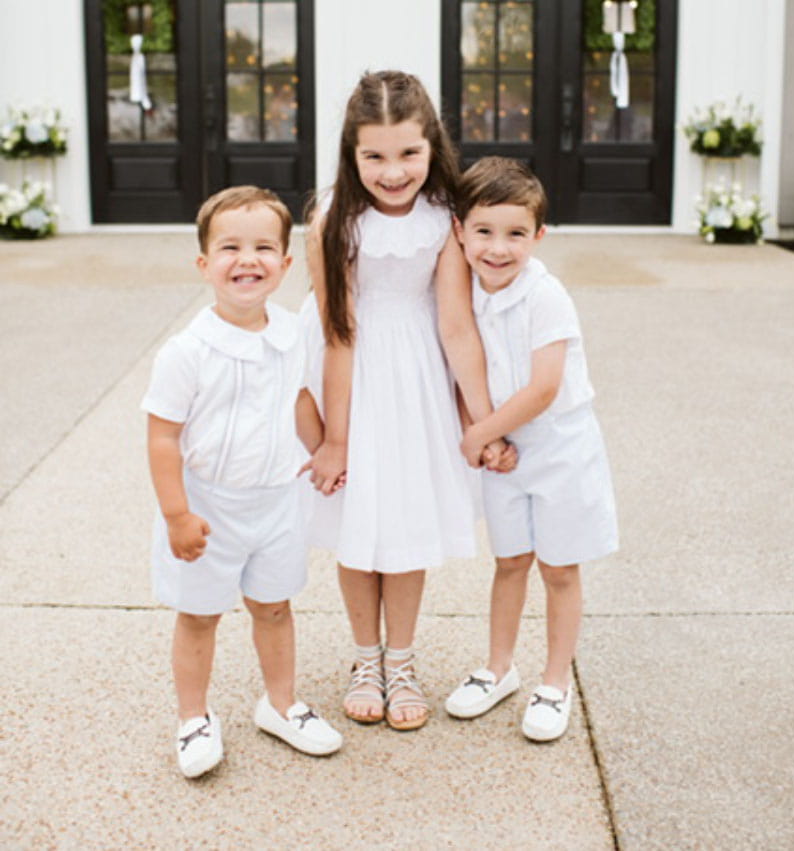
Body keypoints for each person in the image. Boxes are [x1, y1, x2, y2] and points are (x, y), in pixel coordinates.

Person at [301, 71, 514, 731]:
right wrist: (335, 437)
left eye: (408, 154)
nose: (394, 172)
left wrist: (482, 422)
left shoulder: (444, 217)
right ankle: (366, 656)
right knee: (359, 520)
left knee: (407, 519)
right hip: (351, 376)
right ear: (351, 151)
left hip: (416, 376)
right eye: (375, 156)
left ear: (432, 146)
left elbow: (456, 324)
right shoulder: (331, 219)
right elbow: (339, 331)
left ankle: (403, 658)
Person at [142, 185, 342, 779]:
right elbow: (162, 438)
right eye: (230, 247)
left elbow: (300, 401)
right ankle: (194, 717)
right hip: (207, 506)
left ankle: (280, 705)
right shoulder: (187, 352)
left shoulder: (291, 334)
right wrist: (177, 514)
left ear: (284, 264)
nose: (247, 259)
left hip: (278, 500)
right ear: (204, 264)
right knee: (200, 613)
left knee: (274, 607)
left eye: (263, 247)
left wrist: (326, 449)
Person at [445, 157, 618, 741]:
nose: (499, 248)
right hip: (503, 447)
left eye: (516, 234)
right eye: (485, 232)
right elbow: (463, 366)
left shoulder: (546, 296)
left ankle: (554, 682)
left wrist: (479, 434)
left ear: (538, 237)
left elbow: (545, 387)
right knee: (510, 561)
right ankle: (499, 668)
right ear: (461, 232)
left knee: (559, 567)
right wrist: (487, 434)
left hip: (559, 446)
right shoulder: (462, 289)